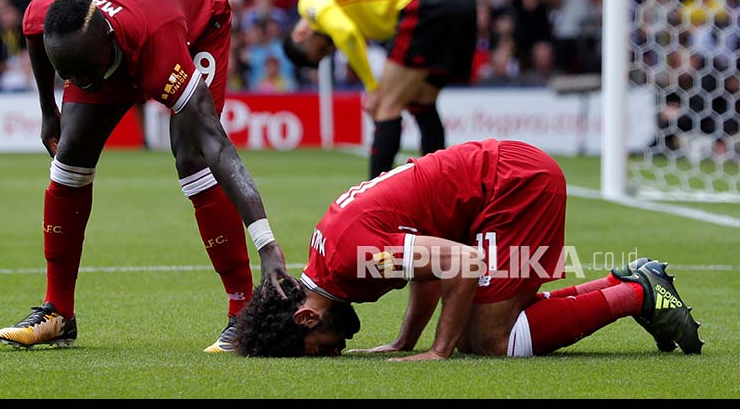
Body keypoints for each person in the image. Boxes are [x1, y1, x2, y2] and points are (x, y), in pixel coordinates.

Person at [0, 0, 297, 353]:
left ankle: (241, 311)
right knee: (68, 159)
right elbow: (35, 36)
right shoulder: (47, 15)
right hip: (124, 29)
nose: (80, 83)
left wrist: (268, 245)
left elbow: (218, 144)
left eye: (82, 71)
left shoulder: (160, 44)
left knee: (193, 158)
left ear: (105, 38)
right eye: (69, 75)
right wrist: (49, 112)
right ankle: (58, 313)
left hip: (197, 25)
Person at [234, 139, 704, 358]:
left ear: (305, 318)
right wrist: (405, 342)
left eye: (319, 350)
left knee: (488, 341)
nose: (337, 351)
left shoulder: (353, 260)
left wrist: (439, 351)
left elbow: (461, 263)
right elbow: (429, 268)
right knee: (486, 324)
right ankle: (629, 285)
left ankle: (638, 293)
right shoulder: (332, 260)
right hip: (502, 184)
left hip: (514, 185)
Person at [282, 0, 477, 180]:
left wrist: (372, 87)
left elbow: (345, 33)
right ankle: (441, 184)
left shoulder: (309, 3)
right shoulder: (357, 9)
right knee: (422, 101)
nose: (331, 48)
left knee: (386, 105)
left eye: (322, 49)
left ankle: (373, 197)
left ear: (301, 33)